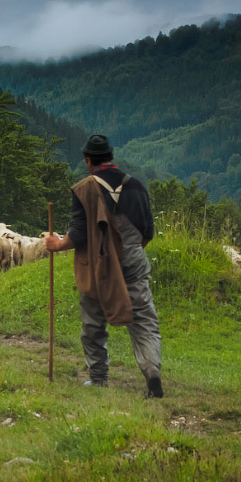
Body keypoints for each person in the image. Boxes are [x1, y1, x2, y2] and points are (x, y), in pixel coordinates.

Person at [44, 134, 163, 398]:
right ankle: (152, 373)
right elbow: (148, 232)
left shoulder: (85, 188)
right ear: (110, 157)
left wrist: (56, 244)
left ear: (89, 161)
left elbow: (78, 235)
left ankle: (98, 378)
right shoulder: (136, 186)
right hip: (134, 260)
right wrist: (129, 251)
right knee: (144, 320)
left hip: (98, 264)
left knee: (93, 321)